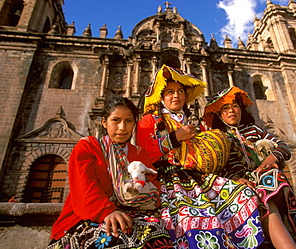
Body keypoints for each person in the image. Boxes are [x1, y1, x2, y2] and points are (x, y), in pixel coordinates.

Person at [136, 65, 265, 248]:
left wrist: (235, 176)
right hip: (167, 181)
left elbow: (213, 154)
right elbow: (143, 153)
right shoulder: (149, 121)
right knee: (191, 219)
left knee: (244, 195)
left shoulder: (196, 122)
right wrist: (174, 138)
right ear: (161, 96)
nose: (176, 96)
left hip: (201, 178)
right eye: (170, 92)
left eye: (180, 91)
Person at [48, 97, 172, 249]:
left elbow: (154, 185)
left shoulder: (139, 154)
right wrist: (107, 212)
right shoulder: (87, 148)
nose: (122, 127)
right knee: (117, 239)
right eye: (116, 120)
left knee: (158, 233)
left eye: (128, 121)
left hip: (133, 217)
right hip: (87, 219)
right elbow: (83, 187)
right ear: (104, 122)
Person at [203, 86, 296, 249]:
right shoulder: (219, 138)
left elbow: (283, 146)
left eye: (235, 106)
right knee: (263, 199)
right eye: (225, 108)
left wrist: (271, 158)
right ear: (219, 115)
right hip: (240, 183)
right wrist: (236, 178)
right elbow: (218, 166)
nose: (231, 111)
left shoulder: (254, 130)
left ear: (241, 109)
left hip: (265, 179)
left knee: (270, 180)